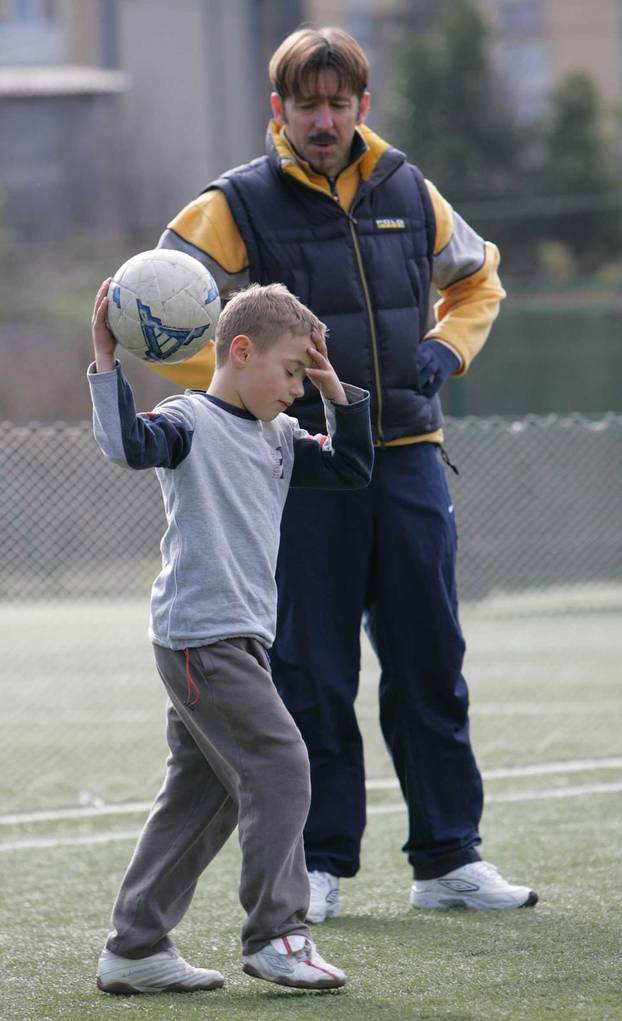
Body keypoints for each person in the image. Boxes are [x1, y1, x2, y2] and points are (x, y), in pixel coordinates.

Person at [155, 26, 538, 921]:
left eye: (338, 103)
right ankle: (319, 861)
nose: (323, 120)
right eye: (306, 104)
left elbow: (480, 279)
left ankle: (449, 857)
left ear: (362, 107)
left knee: (430, 660)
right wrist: (238, 409)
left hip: (406, 458)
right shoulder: (236, 204)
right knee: (311, 670)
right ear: (277, 112)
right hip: (302, 475)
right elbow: (163, 311)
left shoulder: (411, 188)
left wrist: (447, 348)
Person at [88, 278, 373, 993]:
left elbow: (352, 466)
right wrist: (104, 358)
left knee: (202, 794)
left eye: (306, 376)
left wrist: (333, 381)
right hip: (199, 637)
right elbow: (126, 444)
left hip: (237, 640)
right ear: (240, 351)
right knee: (281, 763)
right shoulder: (188, 421)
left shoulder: (279, 436)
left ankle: (135, 946)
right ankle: (279, 931)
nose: (298, 389)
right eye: (292, 371)